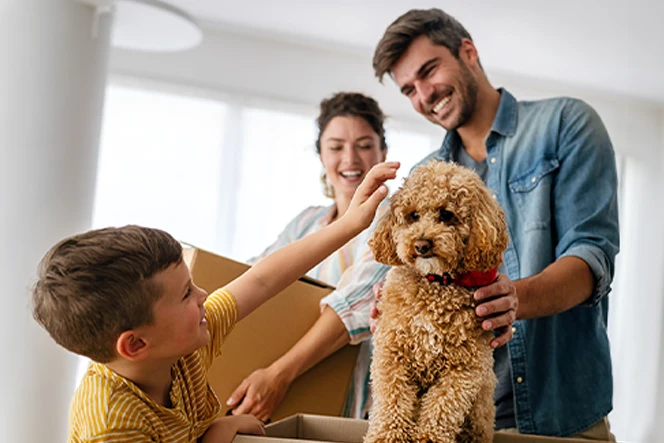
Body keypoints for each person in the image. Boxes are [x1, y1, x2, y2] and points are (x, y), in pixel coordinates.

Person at [371, 8, 619, 440]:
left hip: (563, 415)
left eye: (429, 71)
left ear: (468, 52)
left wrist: (513, 299)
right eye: (409, 89)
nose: (424, 95)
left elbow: (592, 256)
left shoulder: (566, 125)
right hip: (458, 423)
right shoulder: (427, 172)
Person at [30, 161, 398, 443]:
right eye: (186, 294)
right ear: (137, 344)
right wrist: (215, 435)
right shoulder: (110, 424)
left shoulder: (179, 349)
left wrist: (351, 224)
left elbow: (262, 279)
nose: (204, 295)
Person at [227, 92, 392, 420]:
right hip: (293, 399)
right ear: (320, 154)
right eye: (335, 147)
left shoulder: (392, 221)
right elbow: (255, 275)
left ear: (382, 152)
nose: (350, 158)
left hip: (357, 406)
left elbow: (354, 304)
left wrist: (278, 376)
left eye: (363, 144)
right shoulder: (306, 222)